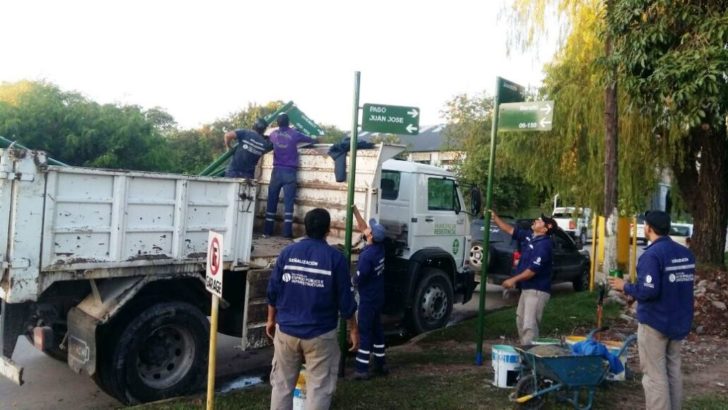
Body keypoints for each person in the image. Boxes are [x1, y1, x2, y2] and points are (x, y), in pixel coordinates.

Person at [266, 208, 359, 410]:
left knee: (281, 386)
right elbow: (346, 302)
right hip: (320, 336)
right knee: (318, 389)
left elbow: (273, 291)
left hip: (287, 331)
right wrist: (353, 330)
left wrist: (271, 320)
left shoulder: (288, 253)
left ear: (305, 228)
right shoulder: (336, 259)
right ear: (328, 230)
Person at [609, 210, 695, 410]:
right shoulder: (685, 253)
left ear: (648, 228)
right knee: (673, 371)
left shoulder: (652, 255)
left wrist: (625, 287)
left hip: (656, 323)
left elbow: (649, 290)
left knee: (655, 376)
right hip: (678, 320)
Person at [490, 210, 557, 345]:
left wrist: (513, 280)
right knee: (520, 320)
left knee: (529, 325)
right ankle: (525, 353)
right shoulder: (530, 236)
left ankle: (530, 357)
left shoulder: (544, 245)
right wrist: (495, 218)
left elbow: (532, 271)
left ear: (545, 229)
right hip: (527, 289)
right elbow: (510, 230)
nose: (536, 221)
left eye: (540, 221)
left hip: (537, 290)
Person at [351, 205, 388, 380]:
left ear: (370, 237)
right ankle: (381, 363)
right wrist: (355, 211)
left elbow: (359, 278)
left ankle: (361, 369)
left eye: (370, 230)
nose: (367, 230)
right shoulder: (380, 248)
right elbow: (363, 227)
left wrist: (351, 283)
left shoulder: (367, 256)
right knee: (377, 329)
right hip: (378, 296)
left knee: (365, 331)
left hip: (368, 299)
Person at [263, 113, 315, 238]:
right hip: (290, 172)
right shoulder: (294, 134)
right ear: (288, 122)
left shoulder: (273, 134)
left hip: (276, 171)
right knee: (289, 203)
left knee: (272, 200)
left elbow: (267, 141)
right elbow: (310, 139)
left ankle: (267, 231)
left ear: (278, 123)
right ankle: (287, 233)